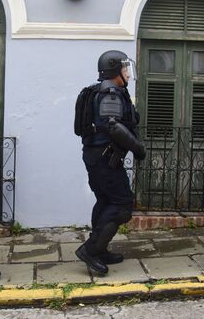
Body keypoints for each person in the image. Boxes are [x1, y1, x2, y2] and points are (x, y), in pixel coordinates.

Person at [74, 50, 146, 274]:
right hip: (104, 159)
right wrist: (137, 148)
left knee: (105, 202)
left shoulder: (108, 91)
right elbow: (112, 125)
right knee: (122, 206)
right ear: (115, 70)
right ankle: (91, 250)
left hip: (99, 157)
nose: (128, 73)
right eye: (125, 68)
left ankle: (101, 248)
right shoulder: (110, 93)